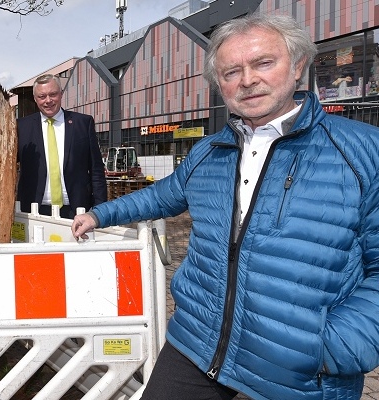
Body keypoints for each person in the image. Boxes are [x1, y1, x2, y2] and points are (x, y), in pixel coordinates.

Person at [72, 13, 379, 400]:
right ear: (219, 85)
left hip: (296, 368)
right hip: (198, 342)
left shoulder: (364, 151)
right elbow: (161, 195)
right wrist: (100, 214)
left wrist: (340, 344)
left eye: (263, 63)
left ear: (299, 65)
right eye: (231, 71)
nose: (247, 79)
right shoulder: (209, 151)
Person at [0, 74, 106, 219]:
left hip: (76, 209)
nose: (48, 100)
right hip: (33, 209)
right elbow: (8, 162)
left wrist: (100, 210)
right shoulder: (20, 127)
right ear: (35, 99)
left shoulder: (83, 123)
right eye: (42, 96)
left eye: (53, 94)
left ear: (61, 94)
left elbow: (96, 170)